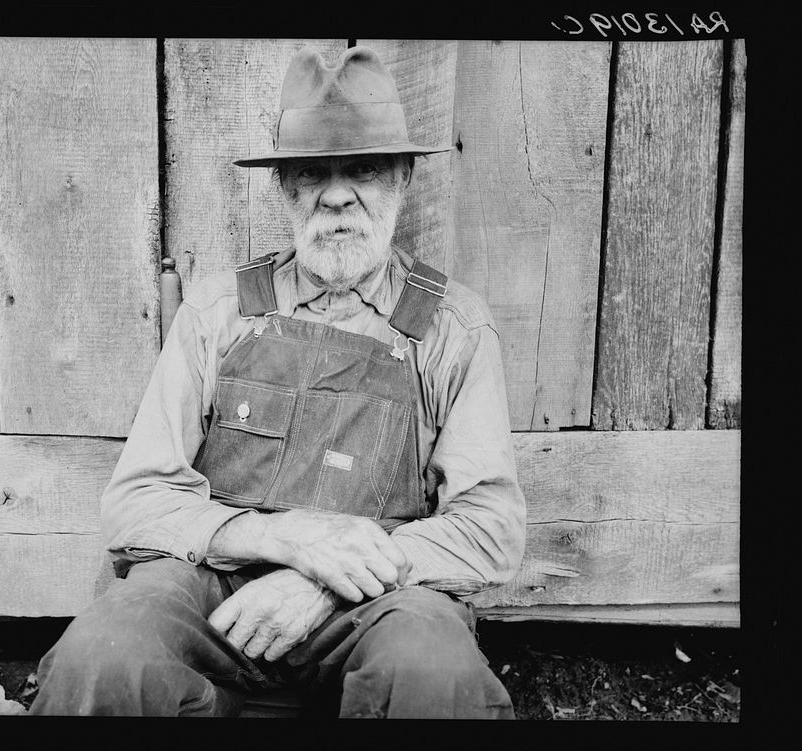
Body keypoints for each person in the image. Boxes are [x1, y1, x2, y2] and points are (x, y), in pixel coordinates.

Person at [29, 45, 526, 719]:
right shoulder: (218, 311)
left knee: (433, 671)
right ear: (283, 186)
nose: (337, 195)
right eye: (312, 173)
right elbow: (134, 505)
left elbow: (488, 529)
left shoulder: (452, 327)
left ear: (403, 179)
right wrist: (280, 537)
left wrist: (322, 579)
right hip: (214, 598)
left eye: (365, 169)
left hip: (373, 606)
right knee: (105, 655)